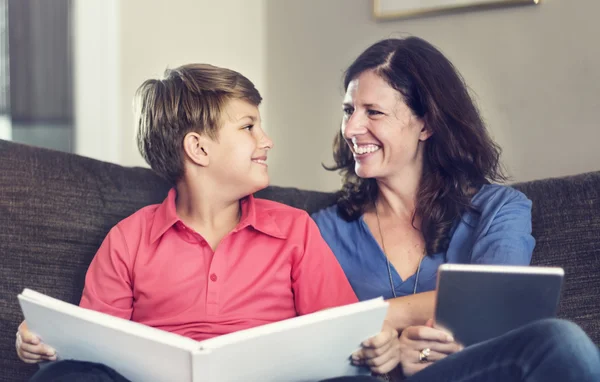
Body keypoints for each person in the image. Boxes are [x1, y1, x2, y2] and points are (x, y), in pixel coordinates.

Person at [15, 64, 400, 381]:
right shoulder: (128, 239)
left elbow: (343, 333)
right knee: (64, 375)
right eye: (249, 127)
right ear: (198, 148)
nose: (266, 141)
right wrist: (44, 342)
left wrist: (375, 344)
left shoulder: (294, 229)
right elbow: (90, 346)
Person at [312, 37, 600, 381]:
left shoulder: (498, 210)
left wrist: (397, 333)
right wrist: (387, 347)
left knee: (560, 341)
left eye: (373, 112)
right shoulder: (321, 231)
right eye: (348, 110)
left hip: (466, 373)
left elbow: (499, 306)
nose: (352, 129)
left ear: (427, 124)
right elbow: (312, 337)